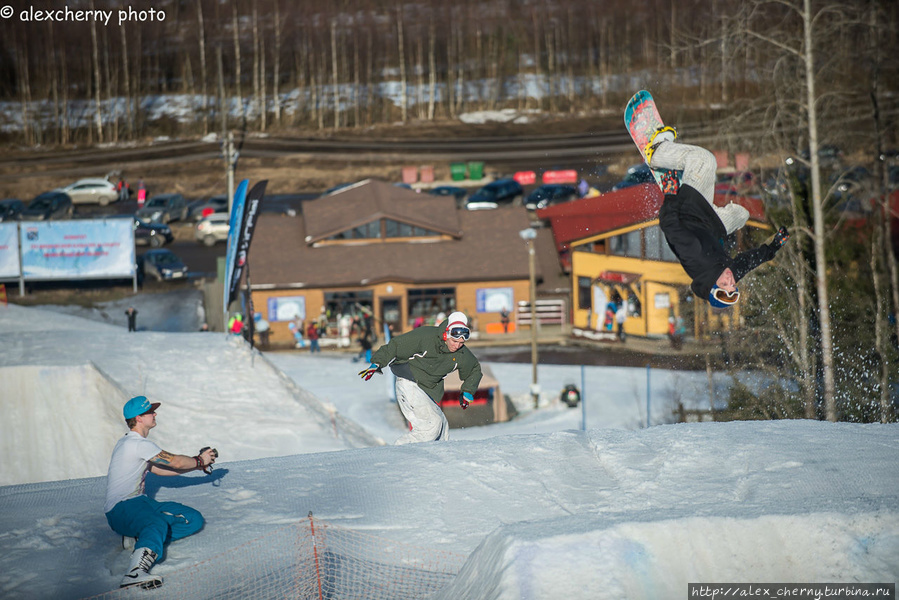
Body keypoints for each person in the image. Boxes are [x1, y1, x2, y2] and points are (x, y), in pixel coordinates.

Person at [646, 131, 790, 308]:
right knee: (742, 215)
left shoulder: (695, 256)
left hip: (688, 211)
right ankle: (691, 180)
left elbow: (668, 224)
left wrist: (670, 193)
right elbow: (749, 261)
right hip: (709, 223)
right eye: (733, 285)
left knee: (706, 160)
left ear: (713, 284)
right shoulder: (727, 273)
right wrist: (774, 246)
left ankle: (658, 152)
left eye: (725, 284)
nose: (731, 279)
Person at [104, 396, 217, 589]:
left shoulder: (134, 443)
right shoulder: (136, 443)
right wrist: (199, 460)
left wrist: (197, 467)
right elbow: (175, 462)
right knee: (156, 523)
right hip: (121, 509)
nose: (154, 414)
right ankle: (134, 572)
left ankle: (141, 539)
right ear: (139, 418)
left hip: (141, 503)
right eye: (150, 412)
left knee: (193, 519)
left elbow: (162, 469)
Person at [358, 311, 482, 444]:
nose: (457, 345)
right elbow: (396, 345)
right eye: (454, 341)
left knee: (442, 428)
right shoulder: (427, 336)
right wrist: (377, 362)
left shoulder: (461, 353)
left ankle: (437, 461)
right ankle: (398, 452)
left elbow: (474, 369)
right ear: (446, 334)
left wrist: (467, 391)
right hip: (409, 383)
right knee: (431, 425)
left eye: (461, 342)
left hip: (427, 391)